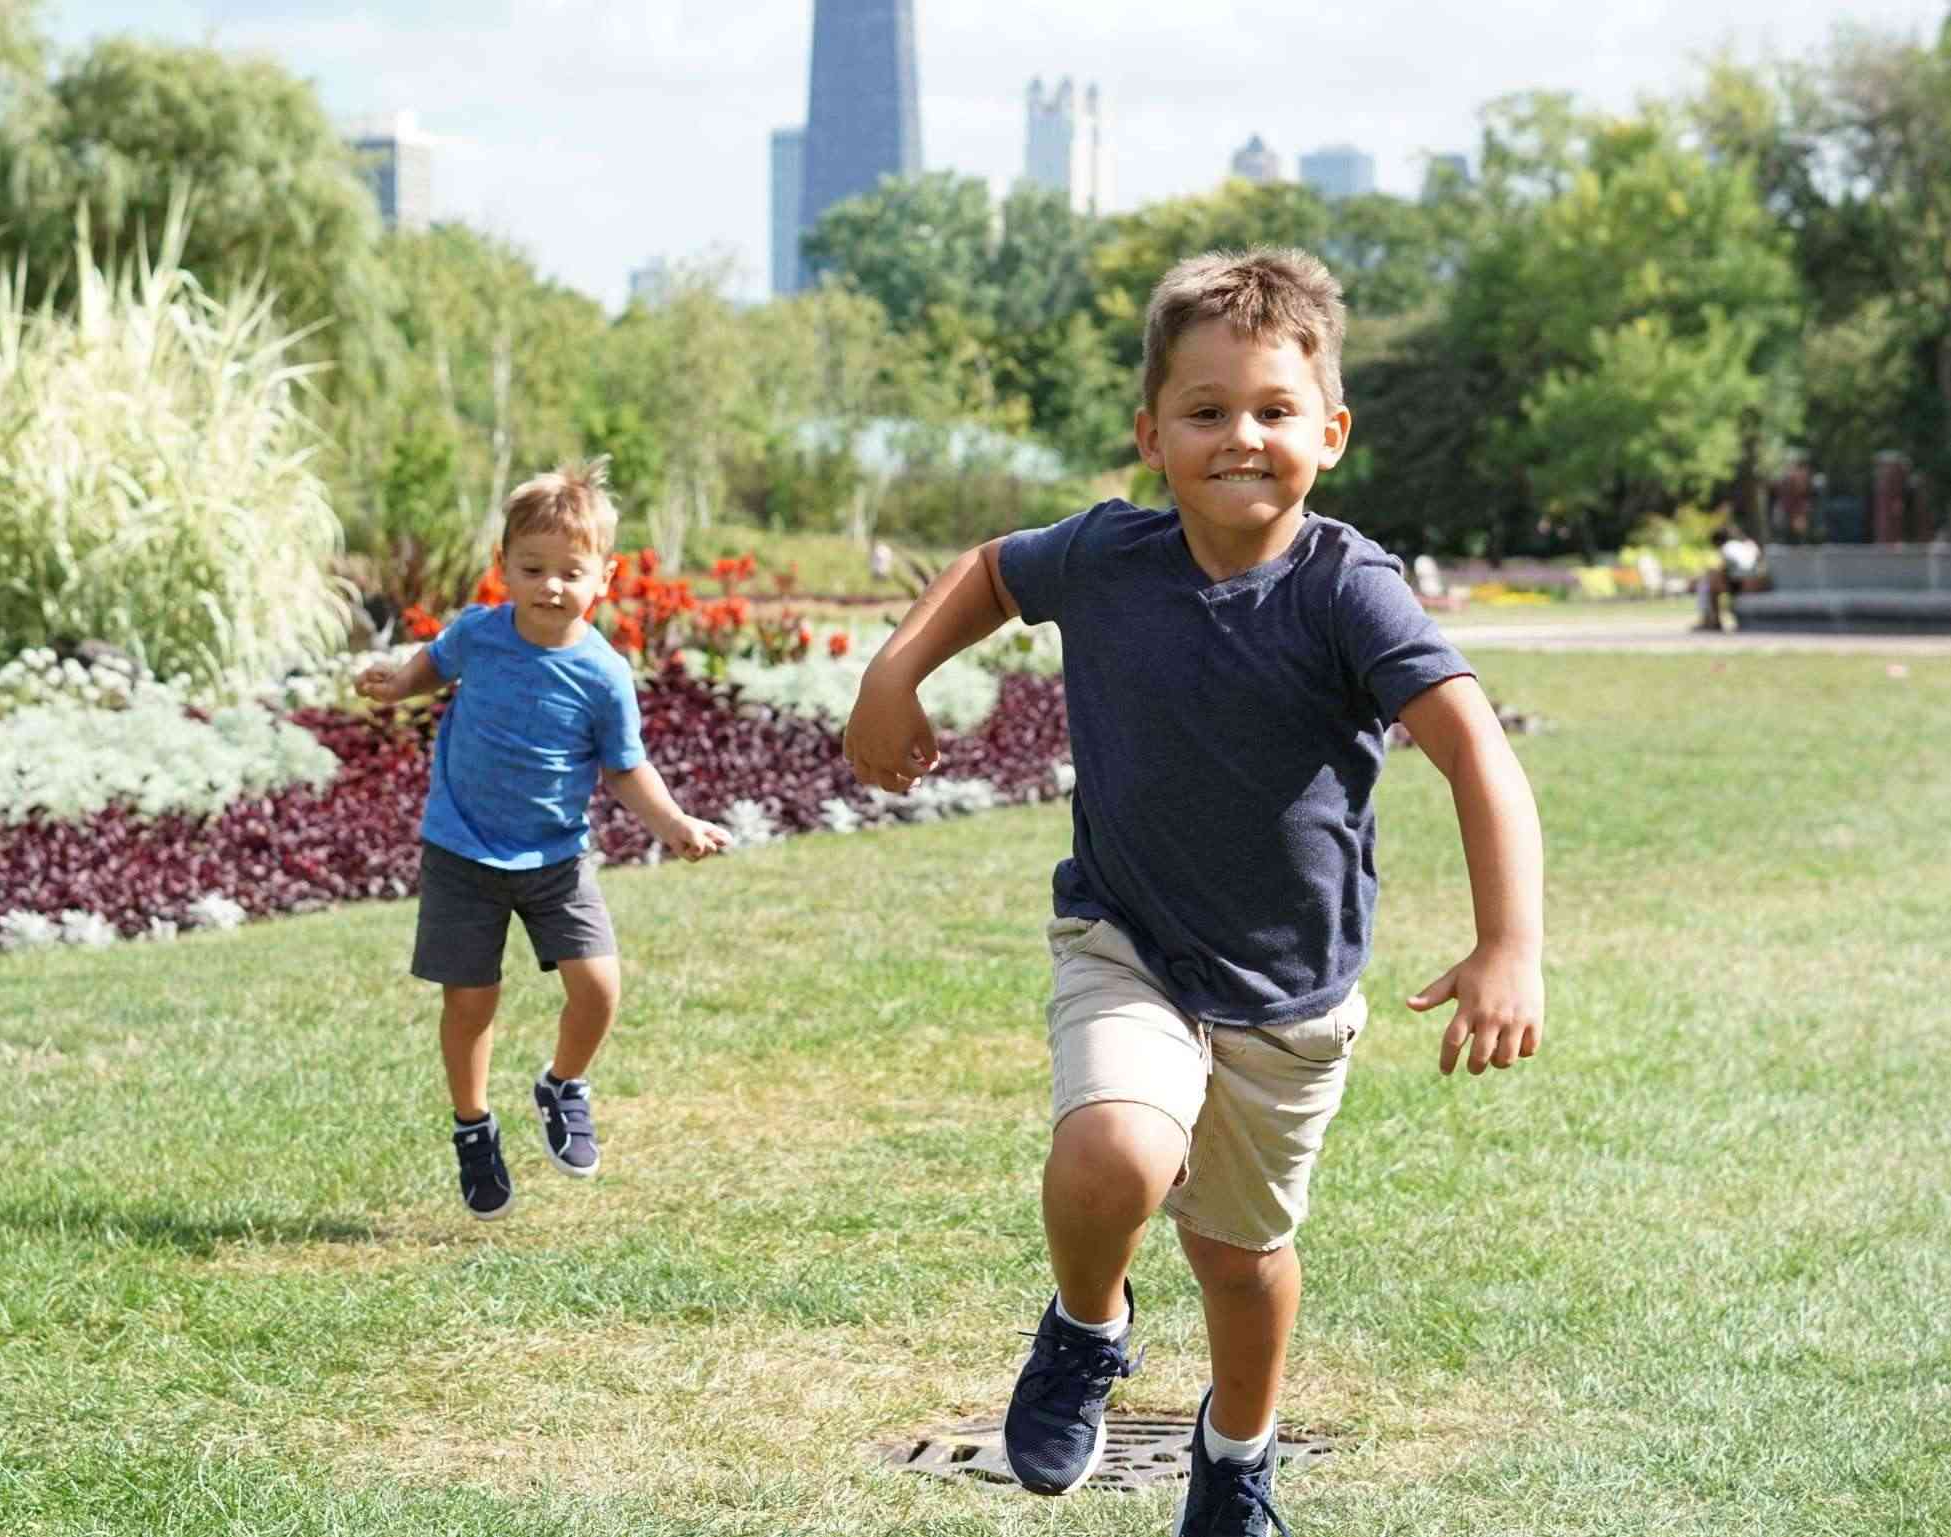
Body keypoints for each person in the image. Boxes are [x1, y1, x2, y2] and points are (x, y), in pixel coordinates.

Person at [843, 248, 1546, 1536]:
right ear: (1150, 434)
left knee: (1237, 1257)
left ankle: (1235, 1458)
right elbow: (996, 570)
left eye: (1275, 411)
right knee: (1115, 1146)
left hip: (1292, 989)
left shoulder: (1349, 588)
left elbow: (1474, 748)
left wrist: (1511, 942)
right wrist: (896, 670)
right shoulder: (1110, 555)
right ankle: (1084, 1329)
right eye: (1206, 411)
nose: (1241, 437)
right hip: (1129, 938)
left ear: (1328, 433)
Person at [357, 458, 730, 1221]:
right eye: (532, 568)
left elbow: (626, 769)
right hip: (461, 849)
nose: (550, 585)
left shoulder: (601, 674)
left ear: (605, 577)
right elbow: (434, 664)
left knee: (598, 987)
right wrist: (398, 683)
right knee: (471, 999)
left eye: (570, 571)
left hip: (555, 857)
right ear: (504, 568)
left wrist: (674, 824)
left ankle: (563, 1084)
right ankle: (473, 1126)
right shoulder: (479, 634)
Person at [1694, 524, 1762, 631]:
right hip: (1759, 582)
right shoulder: (1748, 544)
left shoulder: (1727, 548)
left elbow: (1726, 569)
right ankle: (1712, 620)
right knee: (1712, 579)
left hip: (1745, 583)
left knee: (1709, 583)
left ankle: (1713, 620)